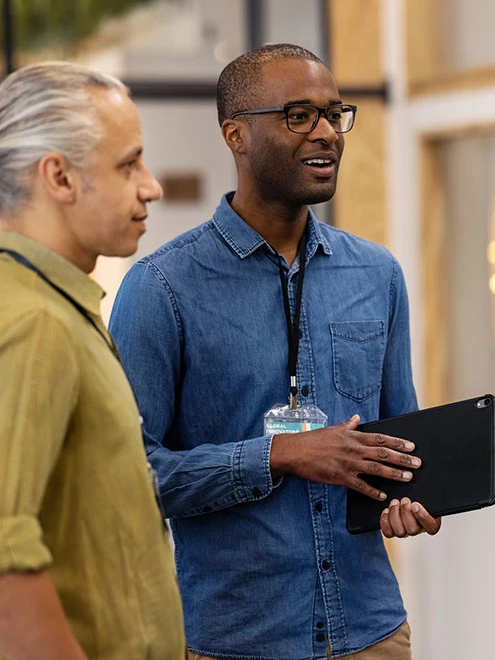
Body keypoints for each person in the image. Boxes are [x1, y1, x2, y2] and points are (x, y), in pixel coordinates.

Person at [109, 43, 436, 660]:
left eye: (333, 114)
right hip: (235, 641)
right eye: (297, 115)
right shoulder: (160, 289)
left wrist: (412, 498)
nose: (325, 134)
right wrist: (278, 455)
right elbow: (130, 478)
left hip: (372, 633)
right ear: (236, 133)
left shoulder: (377, 274)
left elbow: (399, 441)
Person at [0, 62, 184, 659]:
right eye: (128, 163)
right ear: (59, 176)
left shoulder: (51, 304)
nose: (151, 185)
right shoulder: (36, 322)